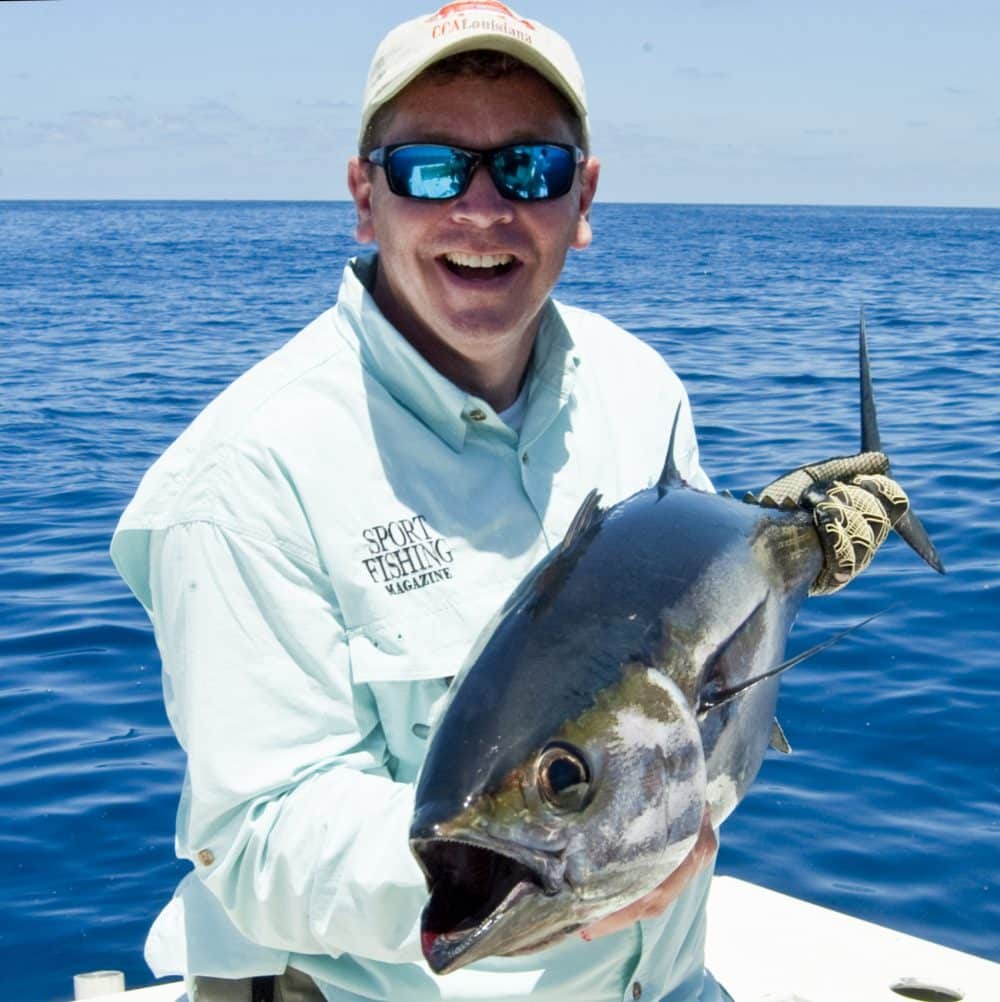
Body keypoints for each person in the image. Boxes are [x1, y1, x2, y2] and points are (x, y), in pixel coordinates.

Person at [111, 4, 909, 1000]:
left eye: (529, 168)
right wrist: (533, 856)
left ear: (584, 200)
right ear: (365, 196)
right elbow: (254, 839)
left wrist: (792, 550)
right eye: (431, 169)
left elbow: (685, 627)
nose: (482, 211)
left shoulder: (639, 385)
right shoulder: (247, 474)